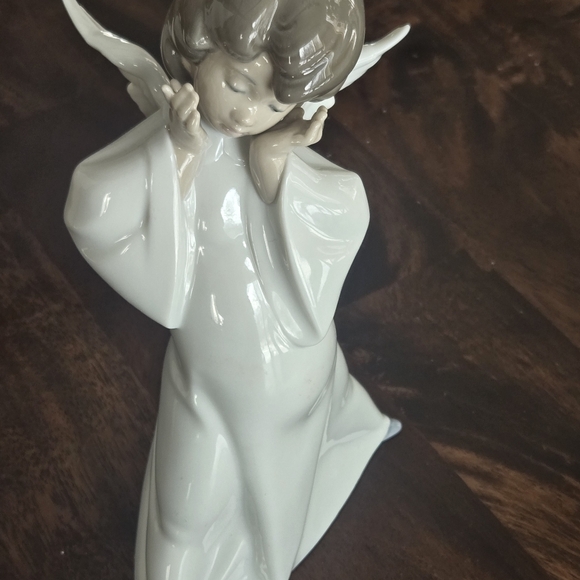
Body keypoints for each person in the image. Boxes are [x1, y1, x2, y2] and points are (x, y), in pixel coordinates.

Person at [63, 0, 402, 578]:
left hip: (284, 376)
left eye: (276, 104)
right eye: (239, 85)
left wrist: (274, 161)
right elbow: (93, 211)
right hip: (202, 375)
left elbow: (345, 210)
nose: (248, 114)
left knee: (270, 505)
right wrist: (176, 151)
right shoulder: (173, 137)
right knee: (181, 514)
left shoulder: (277, 156)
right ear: (197, 51)